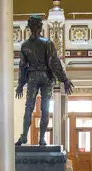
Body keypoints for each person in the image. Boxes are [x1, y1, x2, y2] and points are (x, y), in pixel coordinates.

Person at [15, 14, 74, 146]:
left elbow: (22, 66)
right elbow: (54, 62)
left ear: (29, 27)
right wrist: (64, 79)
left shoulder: (25, 45)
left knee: (29, 107)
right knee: (45, 108)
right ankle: (42, 139)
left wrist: (20, 84)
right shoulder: (47, 43)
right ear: (41, 27)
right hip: (46, 77)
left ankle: (24, 136)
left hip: (32, 76)